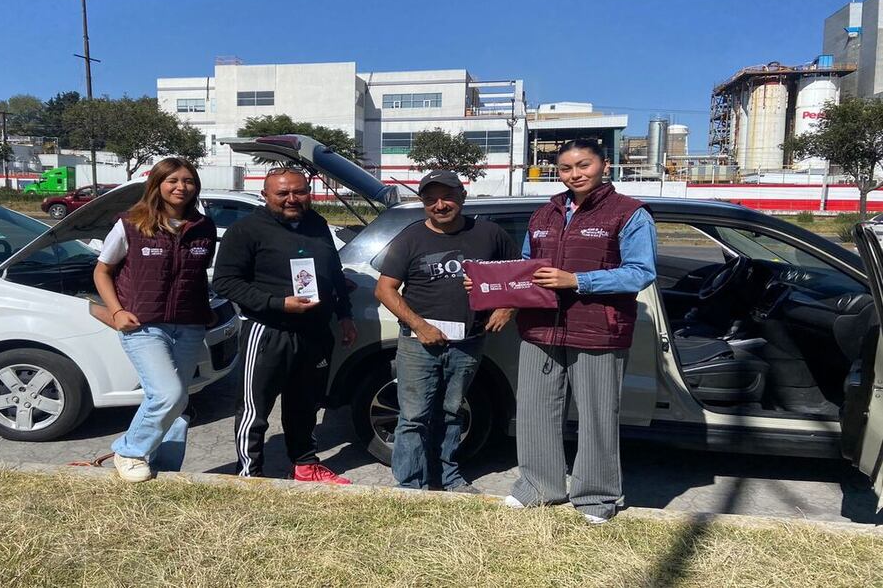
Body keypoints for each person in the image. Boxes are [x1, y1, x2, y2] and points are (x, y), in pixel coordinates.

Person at [504, 140, 656, 523]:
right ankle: (539, 487)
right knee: (534, 412)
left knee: (598, 416)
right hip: (540, 329)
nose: (575, 174)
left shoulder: (630, 213)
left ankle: (596, 496)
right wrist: (496, 286)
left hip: (598, 329)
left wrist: (577, 280)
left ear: (604, 165)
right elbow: (527, 266)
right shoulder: (544, 214)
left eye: (583, 164)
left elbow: (641, 272)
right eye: (566, 168)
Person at [375, 170, 517, 493]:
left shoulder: (490, 234)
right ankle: (410, 484)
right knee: (413, 416)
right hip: (419, 343)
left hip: (468, 342)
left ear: (462, 196)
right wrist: (420, 326)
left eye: (447, 196)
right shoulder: (410, 237)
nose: (439, 205)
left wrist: (507, 307)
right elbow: (385, 290)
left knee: (452, 411)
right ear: (423, 202)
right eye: (430, 199)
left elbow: (517, 276)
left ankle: (448, 477)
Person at [212, 166, 357, 483]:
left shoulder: (317, 224)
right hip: (268, 330)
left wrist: (344, 315)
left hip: (316, 331)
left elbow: (333, 271)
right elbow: (225, 281)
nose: (292, 199)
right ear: (265, 196)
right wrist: (277, 303)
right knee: (255, 408)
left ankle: (305, 465)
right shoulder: (246, 230)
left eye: (299, 191)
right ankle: (251, 474)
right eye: (283, 193)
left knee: (305, 404)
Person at [93, 158, 217, 483]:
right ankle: (130, 451)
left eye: (188, 180)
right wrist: (117, 311)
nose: (181, 187)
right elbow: (102, 270)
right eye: (172, 180)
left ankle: (166, 470)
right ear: (157, 185)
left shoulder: (204, 227)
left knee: (177, 401)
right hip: (143, 325)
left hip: (189, 325)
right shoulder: (131, 224)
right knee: (167, 394)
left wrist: (206, 311)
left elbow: (196, 276)